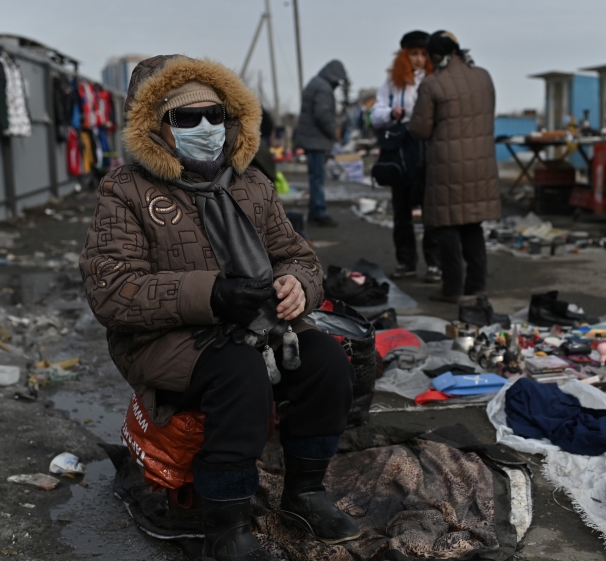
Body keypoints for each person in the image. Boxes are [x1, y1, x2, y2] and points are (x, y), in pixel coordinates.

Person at [79, 55, 359, 561]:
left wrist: (299, 285)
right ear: (155, 127)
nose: (206, 127)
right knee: (240, 375)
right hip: (164, 339)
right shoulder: (124, 191)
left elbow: (298, 255)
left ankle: (305, 494)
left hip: (259, 325)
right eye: (187, 118)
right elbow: (112, 291)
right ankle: (225, 527)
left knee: (328, 363)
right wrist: (211, 294)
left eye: (216, 115)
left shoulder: (250, 182)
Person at [409, 31, 499, 303]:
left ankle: (452, 288)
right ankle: (477, 284)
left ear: (436, 56)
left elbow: (421, 129)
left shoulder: (433, 84)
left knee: (447, 226)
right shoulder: (483, 76)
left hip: (447, 166)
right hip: (481, 164)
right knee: (473, 224)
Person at [370, 30, 441, 282]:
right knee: (401, 211)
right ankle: (406, 261)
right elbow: (375, 113)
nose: (419, 59)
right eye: (414, 54)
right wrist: (391, 113)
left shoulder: (436, 78)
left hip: (428, 147)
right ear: (404, 55)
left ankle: (435, 263)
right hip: (401, 149)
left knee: (431, 208)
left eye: (423, 54)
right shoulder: (393, 82)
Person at [296, 60, 348, 227]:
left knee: (314, 177)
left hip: (310, 138)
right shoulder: (324, 88)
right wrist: (333, 132)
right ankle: (319, 212)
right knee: (317, 177)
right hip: (316, 140)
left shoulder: (315, 82)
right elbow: (323, 114)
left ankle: (314, 211)